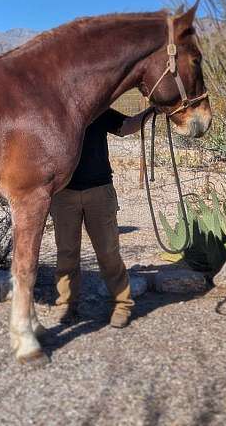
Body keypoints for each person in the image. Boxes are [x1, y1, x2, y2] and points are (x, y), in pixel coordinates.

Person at [50, 106, 153, 328]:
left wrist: (152, 111)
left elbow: (125, 127)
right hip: (63, 194)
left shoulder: (97, 108)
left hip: (100, 191)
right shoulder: (53, 109)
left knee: (108, 252)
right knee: (66, 253)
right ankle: (66, 305)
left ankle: (122, 304)